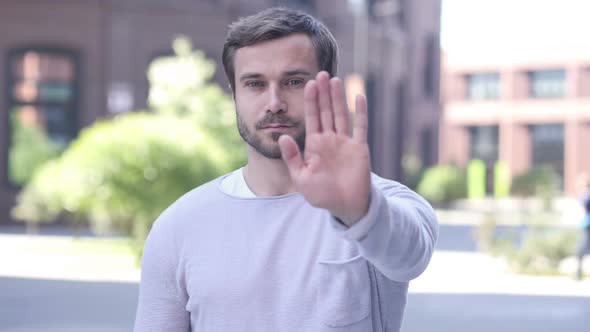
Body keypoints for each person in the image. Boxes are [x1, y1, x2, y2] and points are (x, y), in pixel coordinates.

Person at [134, 7, 438, 332]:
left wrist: (359, 211)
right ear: (234, 94)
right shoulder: (179, 226)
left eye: (293, 81)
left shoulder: (381, 205)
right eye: (254, 84)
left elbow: (409, 256)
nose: (274, 101)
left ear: (327, 88)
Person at [576, 178, 590, 280]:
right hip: (586, 224)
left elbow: (583, 202)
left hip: (588, 225)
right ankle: (578, 273)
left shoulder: (586, 196)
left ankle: (578, 273)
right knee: (581, 250)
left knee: (581, 249)